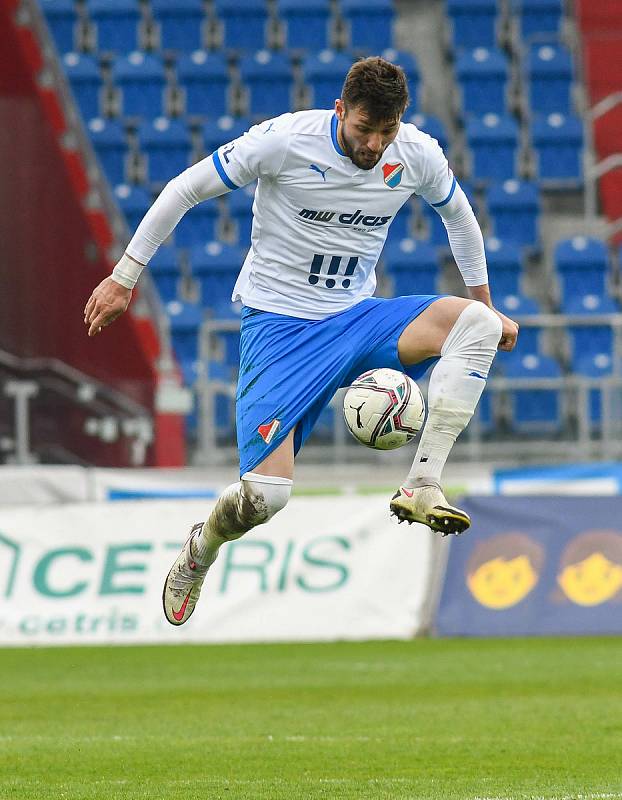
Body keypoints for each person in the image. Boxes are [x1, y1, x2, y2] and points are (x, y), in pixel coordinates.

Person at [84, 57, 519, 626]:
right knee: (265, 499)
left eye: (386, 133)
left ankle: (422, 482)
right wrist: (125, 276)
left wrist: (484, 302)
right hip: (281, 329)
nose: (374, 145)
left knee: (479, 325)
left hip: (357, 318)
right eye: (365, 130)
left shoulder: (416, 154)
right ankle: (202, 548)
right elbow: (185, 189)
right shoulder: (284, 141)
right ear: (340, 111)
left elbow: (460, 219)